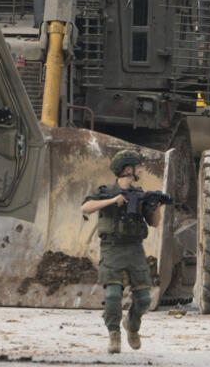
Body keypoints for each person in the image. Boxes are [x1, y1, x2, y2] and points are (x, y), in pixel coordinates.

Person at [80, 149, 164, 354]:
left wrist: (156, 207)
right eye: (138, 167)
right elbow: (86, 208)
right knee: (112, 295)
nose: (141, 170)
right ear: (128, 169)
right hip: (112, 248)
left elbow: (154, 223)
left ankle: (132, 325)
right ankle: (114, 333)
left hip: (135, 249)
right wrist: (112, 201)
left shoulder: (140, 194)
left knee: (144, 298)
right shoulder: (105, 191)